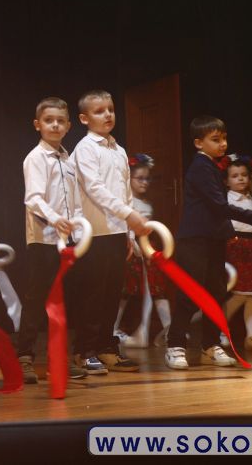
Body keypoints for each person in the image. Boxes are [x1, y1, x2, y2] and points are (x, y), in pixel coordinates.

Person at [164, 117, 252, 370]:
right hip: (194, 240)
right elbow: (219, 205)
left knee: (215, 293)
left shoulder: (212, 167)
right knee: (190, 293)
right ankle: (175, 345)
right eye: (215, 139)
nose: (223, 144)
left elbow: (214, 210)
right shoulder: (200, 167)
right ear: (198, 143)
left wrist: (227, 232)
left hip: (212, 239)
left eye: (224, 138)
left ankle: (210, 345)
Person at [69, 90, 148, 374]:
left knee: (112, 294)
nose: (107, 115)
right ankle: (84, 351)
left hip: (115, 232)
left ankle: (106, 347)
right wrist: (128, 215)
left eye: (110, 109)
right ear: (84, 118)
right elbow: (95, 189)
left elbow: (125, 192)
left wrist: (128, 233)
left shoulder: (119, 150)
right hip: (93, 234)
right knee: (92, 294)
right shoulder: (85, 148)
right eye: (99, 111)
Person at [16, 97, 89, 385]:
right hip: (43, 239)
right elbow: (33, 198)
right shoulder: (36, 158)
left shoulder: (68, 160)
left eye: (60, 121)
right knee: (37, 299)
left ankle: (57, 358)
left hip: (66, 240)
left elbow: (76, 202)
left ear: (69, 125)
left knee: (62, 301)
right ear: (38, 124)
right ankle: (24, 357)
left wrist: (79, 235)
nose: (55, 125)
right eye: (49, 120)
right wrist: (55, 219)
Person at [114, 154, 172, 348]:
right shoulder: (126, 203)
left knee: (157, 289)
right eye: (139, 178)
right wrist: (133, 243)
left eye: (147, 179)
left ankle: (169, 330)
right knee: (125, 292)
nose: (144, 182)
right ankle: (113, 329)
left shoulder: (147, 203)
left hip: (149, 250)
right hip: (132, 249)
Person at [222, 154, 252, 352]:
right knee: (240, 293)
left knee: (251, 295)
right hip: (234, 247)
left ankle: (251, 335)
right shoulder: (225, 200)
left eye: (244, 175)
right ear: (226, 181)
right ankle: (219, 327)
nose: (240, 178)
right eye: (235, 176)